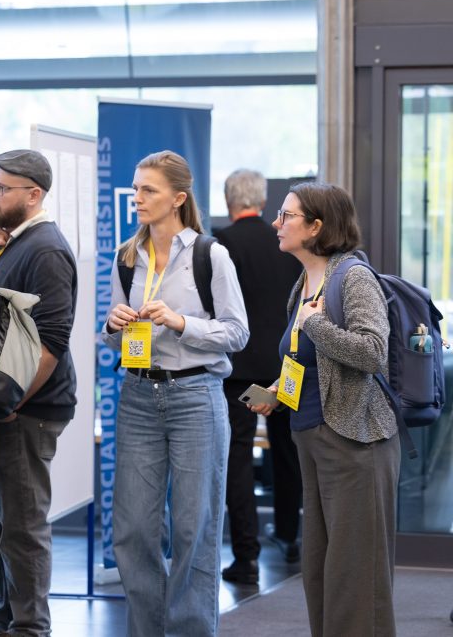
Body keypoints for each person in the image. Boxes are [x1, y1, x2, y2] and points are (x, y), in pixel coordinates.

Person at [102, 150, 248, 637]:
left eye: (148, 190)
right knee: (134, 530)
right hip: (139, 396)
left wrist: (182, 322)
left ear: (178, 199)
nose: (137, 198)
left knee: (193, 528)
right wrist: (113, 324)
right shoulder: (127, 257)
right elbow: (114, 335)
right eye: (136, 188)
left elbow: (237, 332)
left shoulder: (211, 254)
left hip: (196, 397)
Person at [247, 182, 398, 637]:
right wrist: (278, 388)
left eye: (287, 216)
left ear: (317, 227)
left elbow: (374, 352)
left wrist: (316, 324)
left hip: (355, 440)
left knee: (357, 575)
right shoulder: (304, 282)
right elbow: (307, 361)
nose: (276, 222)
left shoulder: (353, 277)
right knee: (320, 571)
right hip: (311, 436)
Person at [0, 149, 77, 637]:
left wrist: (12, 401)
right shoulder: (10, 243)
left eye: (1, 186)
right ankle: (9, 613)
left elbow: (52, 343)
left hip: (27, 410)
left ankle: (30, 625)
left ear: (34, 195)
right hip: (4, 406)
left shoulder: (46, 249)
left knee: (21, 522)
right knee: (0, 523)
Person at [214, 169, 303, 585]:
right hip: (287, 366)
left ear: (228, 200)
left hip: (240, 372)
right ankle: (289, 535)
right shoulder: (286, 241)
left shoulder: (222, 245)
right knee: (288, 451)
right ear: (263, 202)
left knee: (238, 458)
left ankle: (245, 556)